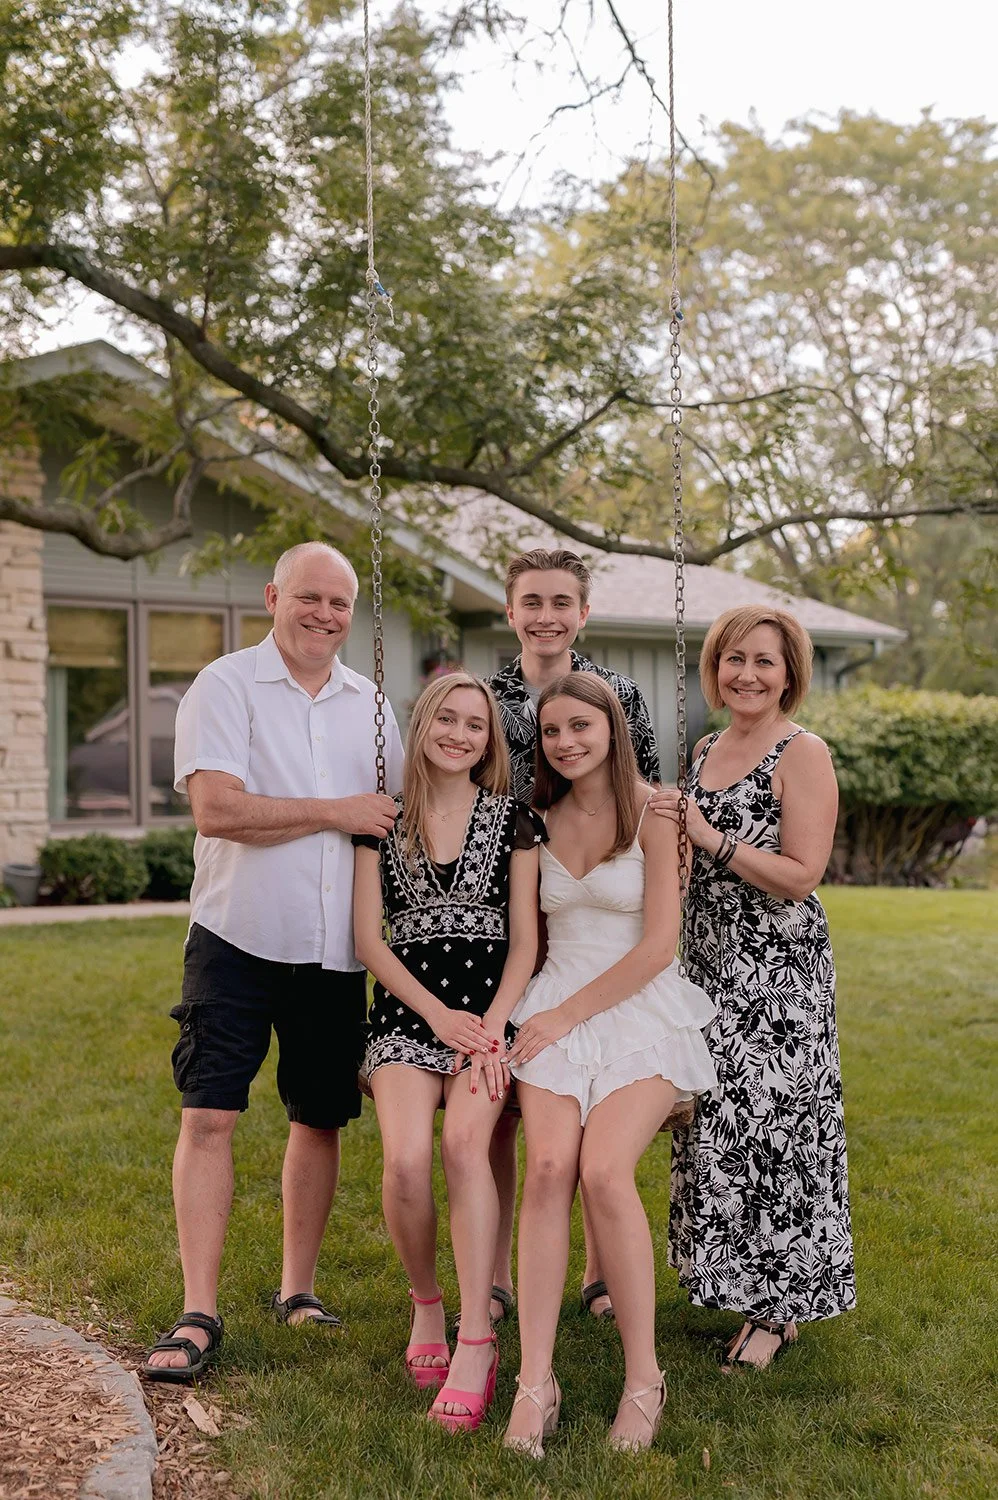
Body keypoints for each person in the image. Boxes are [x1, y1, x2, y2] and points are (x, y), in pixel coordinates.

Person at [141, 542, 403, 1383]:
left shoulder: (371, 705)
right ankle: (198, 1310)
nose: (325, 615)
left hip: (336, 950)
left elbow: (398, 814)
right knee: (210, 1115)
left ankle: (298, 1291)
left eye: (339, 603)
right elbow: (219, 809)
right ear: (273, 597)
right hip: (236, 937)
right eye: (310, 598)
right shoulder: (224, 685)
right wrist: (337, 811)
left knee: (318, 1118)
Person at [502, 674, 716, 1455]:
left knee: (603, 1172)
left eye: (580, 726)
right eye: (552, 731)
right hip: (552, 1004)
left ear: (613, 727)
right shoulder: (535, 823)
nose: (565, 741)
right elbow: (527, 945)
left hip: (642, 1006)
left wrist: (566, 1015)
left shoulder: (656, 813)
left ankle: (643, 1377)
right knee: (551, 1167)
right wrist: (518, 1020)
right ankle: (535, 1381)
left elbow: (661, 944)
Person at [657, 605, 856, 1372]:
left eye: (764, 662)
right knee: (720, 1129)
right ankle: (743, 1287)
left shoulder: (801, 753)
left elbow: (802, 874)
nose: (746, 674)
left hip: (777, 975)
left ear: (789, 674)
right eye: (734, 658)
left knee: (776, 1132)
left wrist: (713, 838)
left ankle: (779, 1310)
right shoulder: (709, 746)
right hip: (707, 967)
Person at [353, 672, 544, 1431]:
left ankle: (477, 1337)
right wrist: (437, 1017)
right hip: (409, 1015)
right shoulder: (381, 822)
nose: (461, 734)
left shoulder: (515, 820)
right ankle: (426, 1303)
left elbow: (526, 944)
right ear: (423, 725)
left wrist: (491, 1024)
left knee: (466, 1145)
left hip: (488, 1019)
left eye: (476, 724)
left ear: (490, 740)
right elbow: (369, 938)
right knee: (404, 1161)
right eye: (448, 719)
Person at [486, 547, 662, 1324]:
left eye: (562, 602)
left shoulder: (617, 692)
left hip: (605, 909)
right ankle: (494, 1271)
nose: (546, 616)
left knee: (597, 1100)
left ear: (582, 613)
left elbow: (644, 785)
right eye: (532, 601)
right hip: (515, 902)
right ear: (511, 610)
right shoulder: (488, 699)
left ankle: (596, 1269)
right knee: (511, 1109)